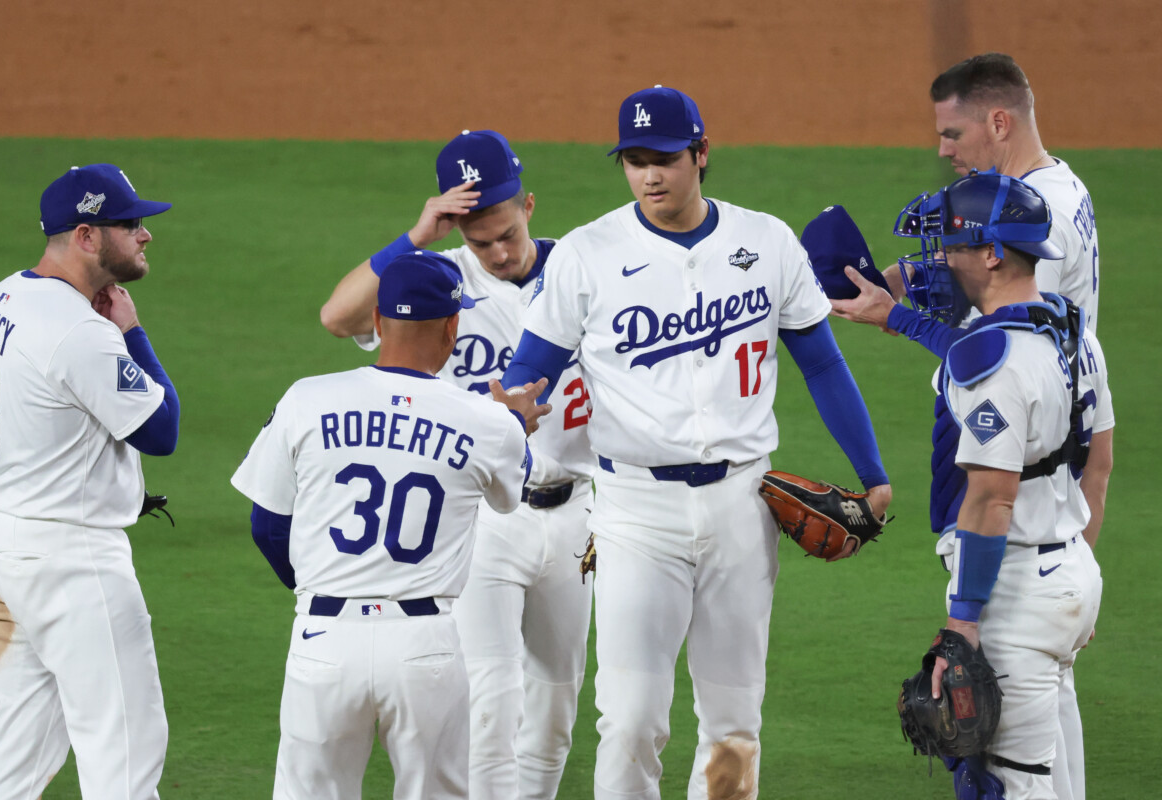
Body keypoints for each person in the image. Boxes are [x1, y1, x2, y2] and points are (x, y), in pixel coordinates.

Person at [500, 85, 893, 800]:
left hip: (744, 506)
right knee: (629, 721)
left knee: (734, 723)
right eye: (636, 161)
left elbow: (824, 363)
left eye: (666, 159)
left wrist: (872, 471)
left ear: (701, 154)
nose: (651, 176)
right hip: (632, 512)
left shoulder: (767, 242)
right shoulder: (587, 255)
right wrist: (513, 413)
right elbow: (530, 368)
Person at [321, 129, 595, 798]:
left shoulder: (586, 273)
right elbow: (338, 316)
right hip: (482, 520)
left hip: (578, 516)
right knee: (492, 698)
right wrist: (417, 235)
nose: (498, 253)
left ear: (529, 205)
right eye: (481, 241)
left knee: (557, 709)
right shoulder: (440, 281)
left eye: (507, 233)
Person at [232, 250, 550, 800]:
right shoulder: (484, 420)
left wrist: (324, 588)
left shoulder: (307, 398)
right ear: (453, 327)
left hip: (324, 638)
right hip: (425, 646)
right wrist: (515, 423)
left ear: (377, 322)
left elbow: (267, 524)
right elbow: (511, 491)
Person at [843, 172, 1112, 799]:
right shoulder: (1067, 329)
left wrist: (962, 623)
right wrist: (901, 320)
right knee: (1056, 774)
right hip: (1067, 568)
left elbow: (991, 500)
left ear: (991, 254)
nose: (938, 259)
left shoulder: (994, 360)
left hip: (1013, 589)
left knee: (1002, 786)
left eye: (952, 246)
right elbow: (986, 354)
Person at [0, 163, 180, 798]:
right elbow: (160, 430)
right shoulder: (80, 330)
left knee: (22, 740)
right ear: (87, 236)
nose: (145, 236)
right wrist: (132, 333)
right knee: (127, 747)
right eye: (130, 225)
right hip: (68, 558)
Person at [887, 53, 1100, 336]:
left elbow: (1011, 350)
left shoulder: (1039, 222)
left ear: (999, 124)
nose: (944, 151)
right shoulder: (1052, 186)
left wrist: (896, 318)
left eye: (954, 134)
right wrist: (913, 276)